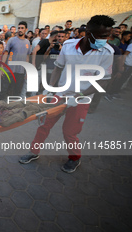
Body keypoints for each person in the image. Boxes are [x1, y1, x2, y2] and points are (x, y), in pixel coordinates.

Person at [19, 15, 115, 173]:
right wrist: (50, 88)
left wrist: (78, 96)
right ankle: (33, 152)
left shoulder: (107, 52)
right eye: (102, 36)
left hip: (82, 99)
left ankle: (74, 158)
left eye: (107, 36)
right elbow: (58, 68)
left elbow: (103, 82)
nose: (105, 39)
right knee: (44, 124)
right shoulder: (69, 45)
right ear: (89, 33)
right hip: (60, 94)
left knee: (70, 132)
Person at [2, 21, 31, 98]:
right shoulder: (12, 40)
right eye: (19, 28)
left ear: (26, 29)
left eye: (22, 28)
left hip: (20, 72)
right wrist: (2, 67)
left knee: (16, 91)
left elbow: (27, 57)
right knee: (3, 90)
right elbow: (5, 53)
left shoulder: (27, 42)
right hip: (9, 70)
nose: (20, 30)